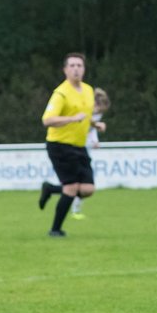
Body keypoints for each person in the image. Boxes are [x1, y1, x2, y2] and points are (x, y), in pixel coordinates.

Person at [37, 53, 96, 237]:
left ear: (84, 69)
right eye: (72, 65)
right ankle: (55, 230)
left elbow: (84, 115)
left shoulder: (88, 90)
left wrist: (95, 124)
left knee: (87, 189)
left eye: (79, 65)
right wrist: (72, 119)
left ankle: (50, 189)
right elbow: (47, 120)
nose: (76, 68)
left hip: (79, 146)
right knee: (71, 188)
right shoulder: (61, 93)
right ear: (65, 70)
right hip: (59, 145)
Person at [41, 86, 109, 220]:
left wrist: (95, 135)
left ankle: (52, 190)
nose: (98, 112)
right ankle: (68, 215)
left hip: (81, 148)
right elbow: (51, 120)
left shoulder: (94, 114)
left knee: (86, 187)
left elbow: (89, 126)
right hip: (66, 147)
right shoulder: (76, 103)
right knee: (76, 185)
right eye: (98, 108)